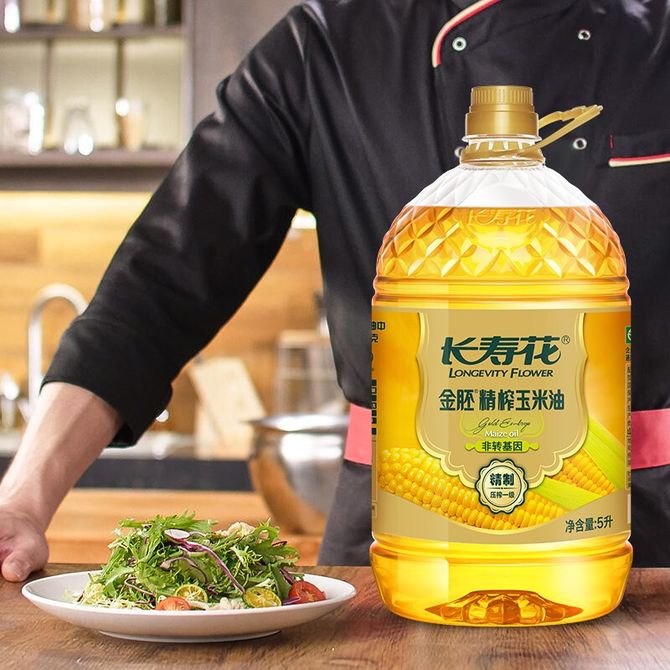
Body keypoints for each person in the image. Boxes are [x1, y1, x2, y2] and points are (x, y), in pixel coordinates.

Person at [1, 0, 669, 581]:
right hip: (402, 536)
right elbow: (160, 283)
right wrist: (23, 501)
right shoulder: (322, 49)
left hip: (645, 532)